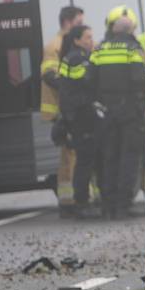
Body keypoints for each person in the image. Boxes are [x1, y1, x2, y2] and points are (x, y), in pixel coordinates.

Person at [90, 6, 145, 220]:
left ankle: (108, 205)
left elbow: (90, 79)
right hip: (129, 111)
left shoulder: (100, 49)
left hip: (105, 112)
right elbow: (140, 79)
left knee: (109, 156)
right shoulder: (132, 48)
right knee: (129, 157)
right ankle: (123, 205)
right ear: (131, 28)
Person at [41, 5, 85, 217]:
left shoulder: (65, 43)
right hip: (60, 109)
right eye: (78, 22)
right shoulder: (55, 46)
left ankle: (70, 200)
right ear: (67, 22)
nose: (82, 26)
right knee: (70, 155)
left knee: (70, 155)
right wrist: (71, 86)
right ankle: (69, 201)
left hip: (67, 107)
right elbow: (48, 74)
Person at [55, 25, 102, 219]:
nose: (92, 41)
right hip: (81, 117)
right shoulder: (78, 59)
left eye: (92, 37)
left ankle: (82, 201)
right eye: (88, 38)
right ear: (77, 40)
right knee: (85, 161)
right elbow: (88, 82)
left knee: (85, 159)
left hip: (75, 116)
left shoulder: (70, 57)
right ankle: (82, 202)